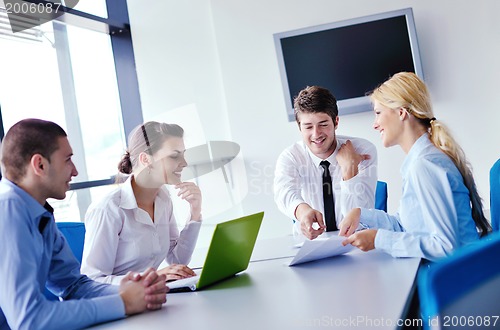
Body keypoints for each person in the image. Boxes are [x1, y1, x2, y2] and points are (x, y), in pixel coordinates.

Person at [0, 119, 168, 330]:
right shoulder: (7, 211)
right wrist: (123, 303)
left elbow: (73, 286)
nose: (75, 171)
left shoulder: (39, 212)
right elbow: (29, 320)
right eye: (68, 160)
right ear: (40, 165)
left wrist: (134, 290)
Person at [340, 72, 491, 261]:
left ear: (401, 113)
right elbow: (407, 226)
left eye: (378, 113)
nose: (375, 125)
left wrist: (380, 240)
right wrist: (361, 214)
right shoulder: (419, 161)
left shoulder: (425, 165)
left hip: (459, 281)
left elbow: (447, 247)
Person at [81, 121, 202, 284]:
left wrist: (195, 211)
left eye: (183, 154)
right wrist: (153, 277)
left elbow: (177, 260)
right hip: (120, 303)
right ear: (146, 159)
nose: (184, 163)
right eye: (174, 155)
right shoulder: (108, 209)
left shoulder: (163, 198)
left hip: (152, 297)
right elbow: (92, 279)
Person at [274, 86, 378, 240]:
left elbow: (358, 217)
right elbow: (284, 192)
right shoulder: (291, 157)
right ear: (299, 127)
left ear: (336, 122)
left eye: (323, 124)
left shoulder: (362, 150)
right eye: (308, 127)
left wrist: (349, 170)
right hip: (311, 244)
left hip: (354, 242)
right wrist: (302, 212)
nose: (316, 134)